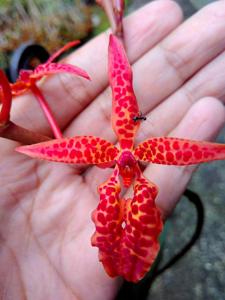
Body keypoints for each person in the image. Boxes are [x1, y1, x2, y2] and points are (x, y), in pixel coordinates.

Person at [0, 0, 225, 299]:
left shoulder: (138, 153)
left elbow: (188, 149)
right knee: (119, 220)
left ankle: (132, 268)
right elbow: (62, 149)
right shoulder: (110, 155)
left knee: (134, 236)